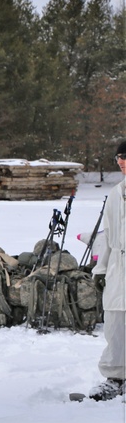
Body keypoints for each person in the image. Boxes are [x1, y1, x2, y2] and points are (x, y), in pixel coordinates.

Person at [84, 141, 126, 401]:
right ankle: (116, 377)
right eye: (119, 157)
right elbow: (109, 235)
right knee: (115, 323)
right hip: (119, 267)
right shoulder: (116, 193)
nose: (121, 161)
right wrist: (101, 269)